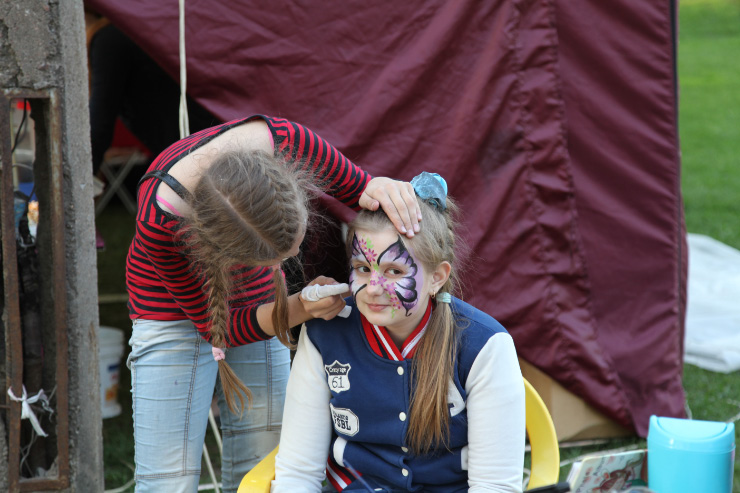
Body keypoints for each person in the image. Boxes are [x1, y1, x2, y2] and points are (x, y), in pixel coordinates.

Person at [125, 114, 421, 493]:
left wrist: (381, 192)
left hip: (259, 297)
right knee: (167, 481)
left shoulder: (285, 140)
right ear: (230, 255)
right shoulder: (161, 219)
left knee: (265, 459)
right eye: (275, 261)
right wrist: (299, 308)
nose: (287, 263)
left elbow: (367, 194)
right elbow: (222, 328)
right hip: (166, 310)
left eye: (292, 248)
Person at [273, 172, 526, 492]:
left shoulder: (485, 346)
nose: (373, 289)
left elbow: (494, 485)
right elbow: (297, 472)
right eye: (363, 268)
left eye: (394, 271)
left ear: (437, 277)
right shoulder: (324, 335)